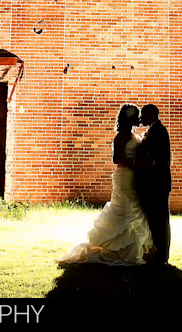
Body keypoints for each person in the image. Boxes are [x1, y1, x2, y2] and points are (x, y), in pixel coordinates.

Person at [57, 104, 153, 266]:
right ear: (129, 118)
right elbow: (117, 159)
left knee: (135, 210)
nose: (138, 118)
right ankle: (120, 250)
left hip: (134, 177)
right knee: (125, 209)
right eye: (136, 116)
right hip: (124, 177)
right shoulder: (121, 136)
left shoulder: (133, 135)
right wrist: (138, 162)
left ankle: (130, 249)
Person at [134, 104, 171, 265]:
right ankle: (157, 252)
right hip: (154, 183)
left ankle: (162, 255)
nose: (141, 118)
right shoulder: (153, 130)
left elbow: (152, 157)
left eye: (143, 115)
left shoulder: (159, 131)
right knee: (155, 220)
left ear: (151, 114)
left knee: (160, 220)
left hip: (157, 183)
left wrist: (136, 158)